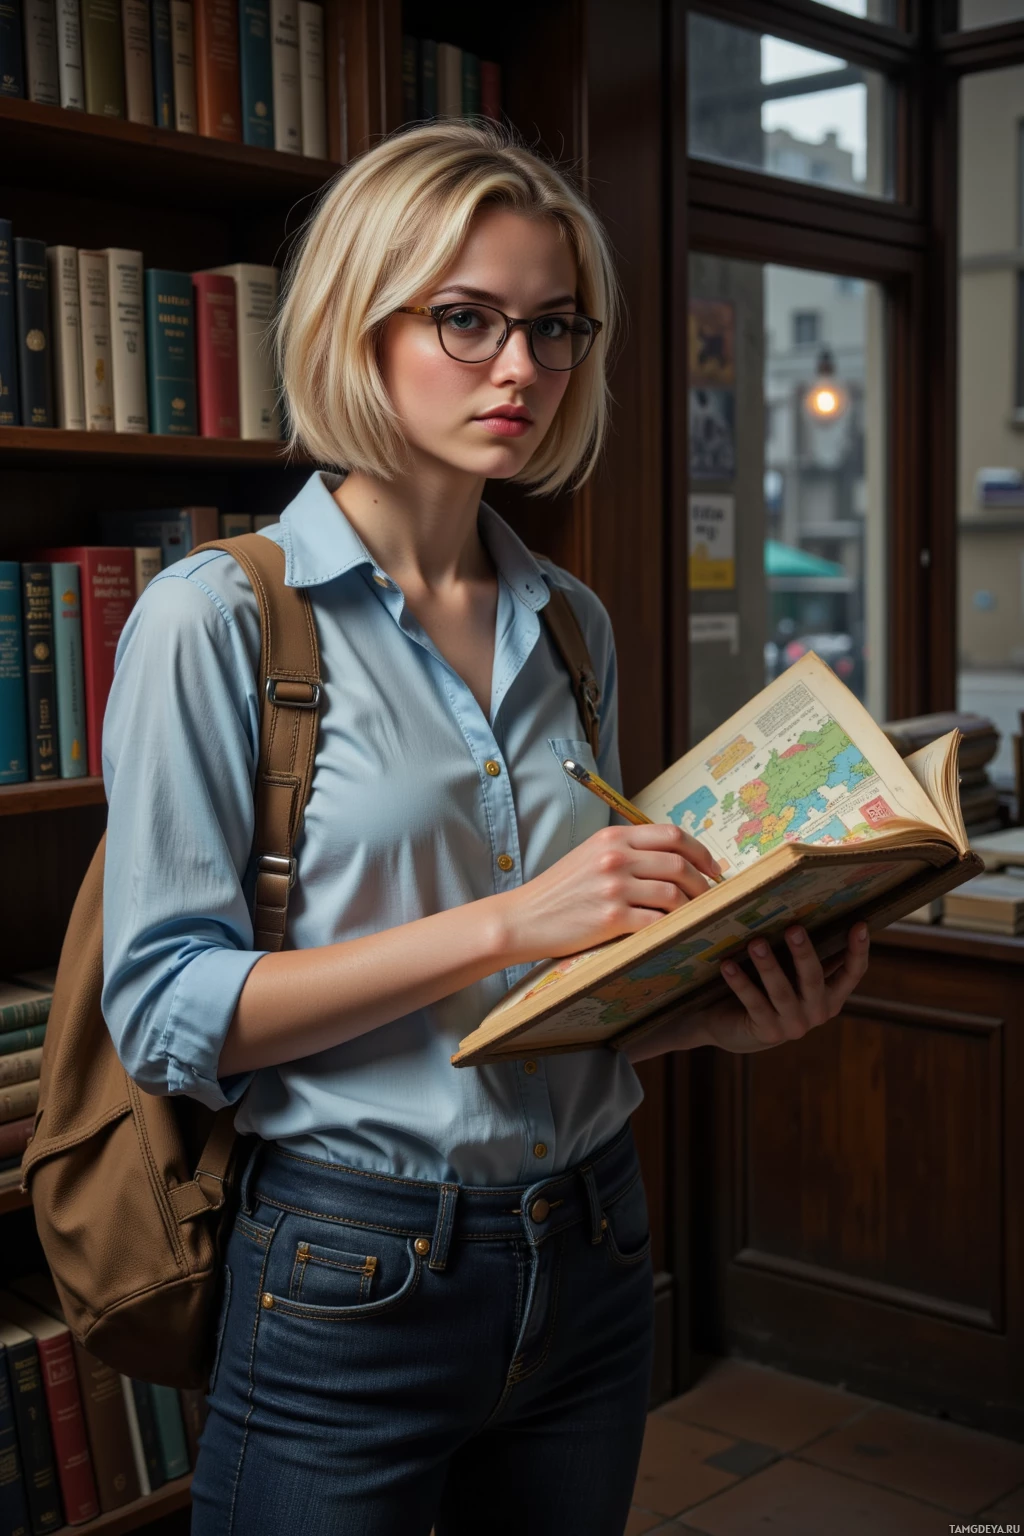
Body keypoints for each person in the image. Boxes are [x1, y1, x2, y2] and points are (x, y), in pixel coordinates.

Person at [100, 120, 871, 1536]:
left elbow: (542, 1002)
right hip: (348, 1269)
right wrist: (513, 918)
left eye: (554, 326)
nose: (522, 367)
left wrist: (705, 1015)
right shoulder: (212, 619)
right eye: (468, 319)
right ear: (358, 320)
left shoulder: (569, 625)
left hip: (590, 1246)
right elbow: (167, 1011)